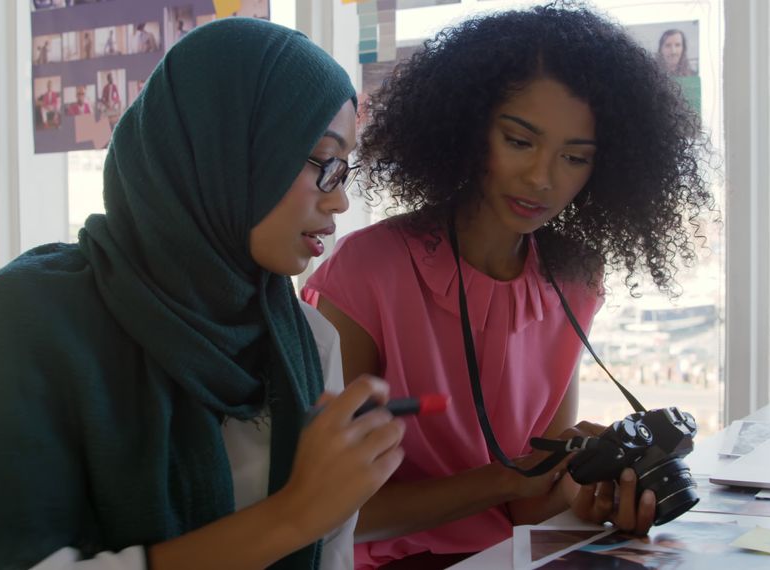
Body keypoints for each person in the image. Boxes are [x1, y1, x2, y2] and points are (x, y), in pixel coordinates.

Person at [0, 18, 405, 570]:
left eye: (346, 172)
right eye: (324, 163)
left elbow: (329, 555)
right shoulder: (23, 323)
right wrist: (292, 516)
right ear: (223, 145)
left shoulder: (307, 344)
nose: (339, 203)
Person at [302, 3, 712, 568]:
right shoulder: (367, 272)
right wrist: (503, 481)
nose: (542, 178)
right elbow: (326, 511)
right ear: (470, 128)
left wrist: (595, 493)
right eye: (520, 141)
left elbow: (530, 505)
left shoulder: (575, 279)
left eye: (574, 157)